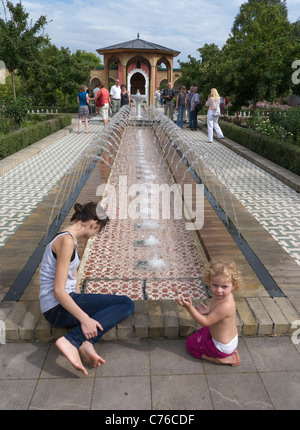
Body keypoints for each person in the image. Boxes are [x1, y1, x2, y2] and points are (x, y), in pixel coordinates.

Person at [39, 202, 135, 375]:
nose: (95, 234)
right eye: (98, 230)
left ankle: (86, 343)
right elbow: (59, 291)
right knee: (126, 304)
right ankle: (72, 340)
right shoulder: (66, 241)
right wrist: (85, 318)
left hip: (63, 303)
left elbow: (72, 276)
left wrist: (84, 304)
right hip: (55, 308)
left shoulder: (69, 238)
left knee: (106, 306)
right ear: (94, 224)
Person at [177, 260, 242, 367]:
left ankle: (220, 359)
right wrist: (210, 311)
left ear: (233, 286)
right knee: (201, 332)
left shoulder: (225, 305)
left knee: (190, 343)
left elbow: (206, 322)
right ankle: (231, 352)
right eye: (215, 285)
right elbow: (220, 313)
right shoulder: (226, 296)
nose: (219, 290)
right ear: (209, 282)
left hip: (221, 347)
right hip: (231, 340)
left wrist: (189, 308)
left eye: (224, 286)